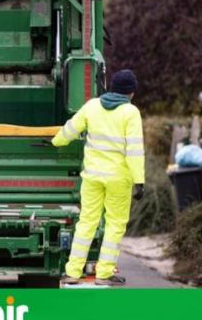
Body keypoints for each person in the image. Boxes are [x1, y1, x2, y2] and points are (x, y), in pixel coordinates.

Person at [51, 69, 145, 286]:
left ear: (111, 87)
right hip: (118, 180)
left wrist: (55, 141)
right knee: (115, 224)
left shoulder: (92, 106)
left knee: (86, 223)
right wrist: (139, 181)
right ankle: (103, 274)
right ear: (131, 92)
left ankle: (73, 272)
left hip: (92, 177)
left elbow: (70, 129)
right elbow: (134, 150)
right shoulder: (130, 113)